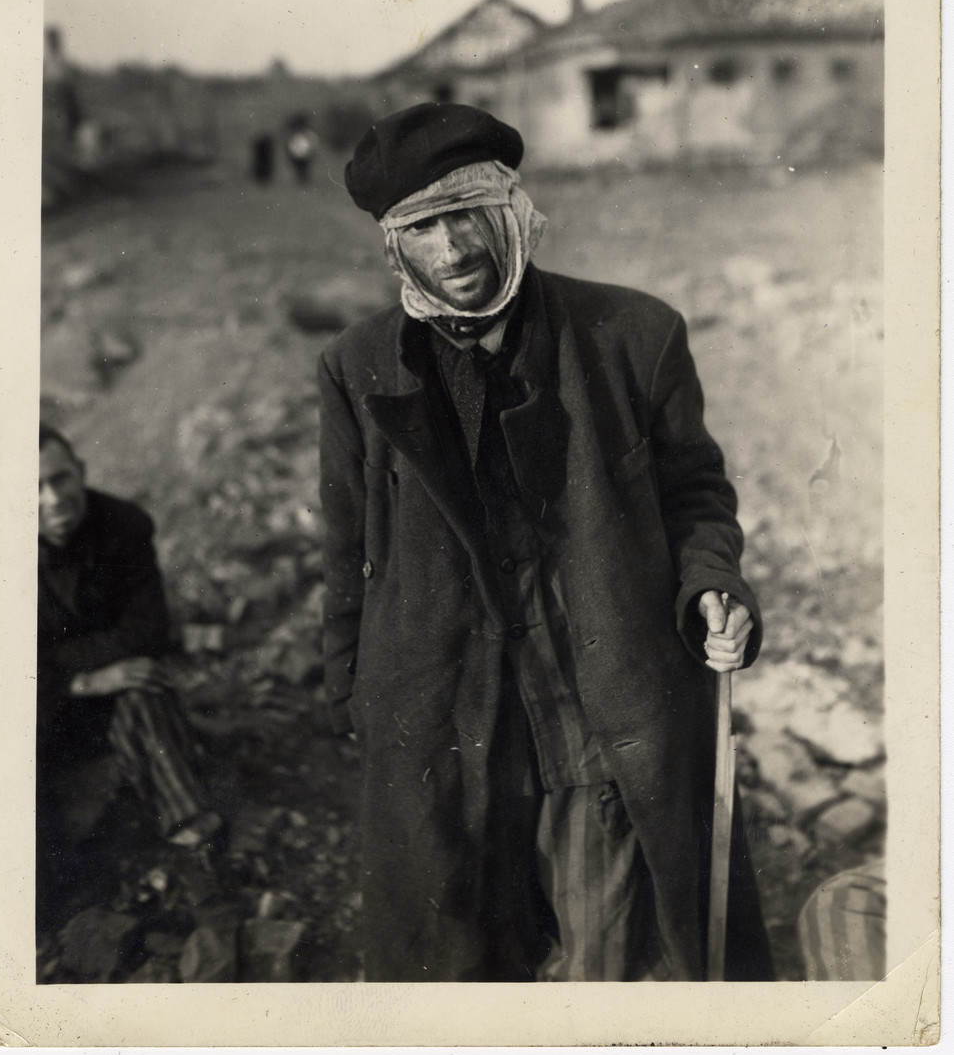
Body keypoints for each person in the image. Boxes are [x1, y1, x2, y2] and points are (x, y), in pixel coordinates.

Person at [318, 103, 773, 982]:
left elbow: (697, 495)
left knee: (605, 962)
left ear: (512, 209)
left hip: (590, 716)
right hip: (445, 719)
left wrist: (712, 582)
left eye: (465, 216)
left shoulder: (633, 338)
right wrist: (353, 697)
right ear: (392, 246)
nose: (450, 252)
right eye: (421, 229)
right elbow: (349, 549)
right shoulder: (356, 368)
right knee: (462, 969)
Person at [36, 423, 221, 908]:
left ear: (80, 473)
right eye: (32, 487)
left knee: (145, 684)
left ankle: (194, 837)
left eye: (59, 479)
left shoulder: (123, 527)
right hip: (43, 707)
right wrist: (83, 679)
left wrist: (66, 666)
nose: (52, 499)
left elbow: (147, 630)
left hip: (117, 695)